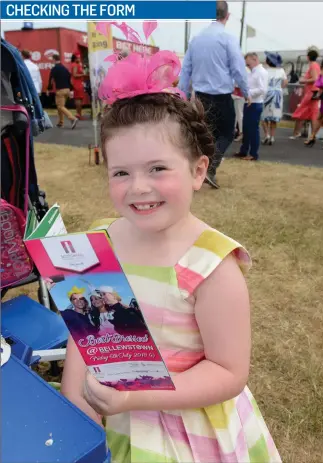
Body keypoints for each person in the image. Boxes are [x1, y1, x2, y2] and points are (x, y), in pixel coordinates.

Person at [61, 31, 281, 463]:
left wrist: (133, 399)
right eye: (120, 172)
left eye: (158, 168)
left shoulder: (212, 267)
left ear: (199, 170)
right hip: (116, 415)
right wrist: (77, 406)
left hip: (187, 431)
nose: (138, 188)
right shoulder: (100, 241)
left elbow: (228, 371)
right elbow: (83, 333)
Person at [179, 1, 250, 189]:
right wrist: (246, 91)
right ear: (227, 16)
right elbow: (238, 68)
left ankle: (199, 171)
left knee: (206, 134)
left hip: (201, 96)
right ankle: (211, 167)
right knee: (227, 133)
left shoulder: (196, 39)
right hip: (221, 96)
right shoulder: (228, 38)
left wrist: (182, 93)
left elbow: (186, 70)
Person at [235, 52, 268, 161]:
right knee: (246, 128)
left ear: (254, 59)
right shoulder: (253, 72)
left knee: (253, 130)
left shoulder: (261, 72)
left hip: (255, 103)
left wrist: (248, 93)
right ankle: (244, 150)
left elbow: (262, 89)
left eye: (248, 63)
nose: (247, 65)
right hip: (249, 103)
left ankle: (253, 153)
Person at [290, 48, 320, 139]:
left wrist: (304, 80)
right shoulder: (316, 65)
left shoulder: (313, 66)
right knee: (313, 113)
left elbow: (315, 78)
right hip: (314, 92)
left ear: (308, 57)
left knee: (301, 110)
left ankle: (297, 132)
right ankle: (312, 135)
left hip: (311, 92)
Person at [261, 52, 288, 145]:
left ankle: (266, 135)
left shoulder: (264, 70)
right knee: (274, 116)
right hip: (277, 94)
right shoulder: (281, 71)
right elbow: (285, 82)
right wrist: (279, 87)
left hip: (267, 93)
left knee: (264, 115)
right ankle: (272, 137)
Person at [47, 54, 78, 129]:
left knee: (60, 106)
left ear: (54, 59)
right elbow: (69, 79)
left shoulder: (54, 69)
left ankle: (72, 118)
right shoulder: (65, 68)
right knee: (60, 106)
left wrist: (48, 89)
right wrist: (71, 89)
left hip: (60, 90)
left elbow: (51, 80)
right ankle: (60, 122)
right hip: (67, 89)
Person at [71, 52, 86, 120]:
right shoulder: (74, 65)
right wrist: (83, 75)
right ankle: (78, 114)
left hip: (79, 83)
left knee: (80, 99)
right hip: (77, 83)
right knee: (78, 99)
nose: (79, 59)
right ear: (75, 58)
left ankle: (79, 114)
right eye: (78, 58)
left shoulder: (78, 64)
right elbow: (74, 75)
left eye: (79, 57)